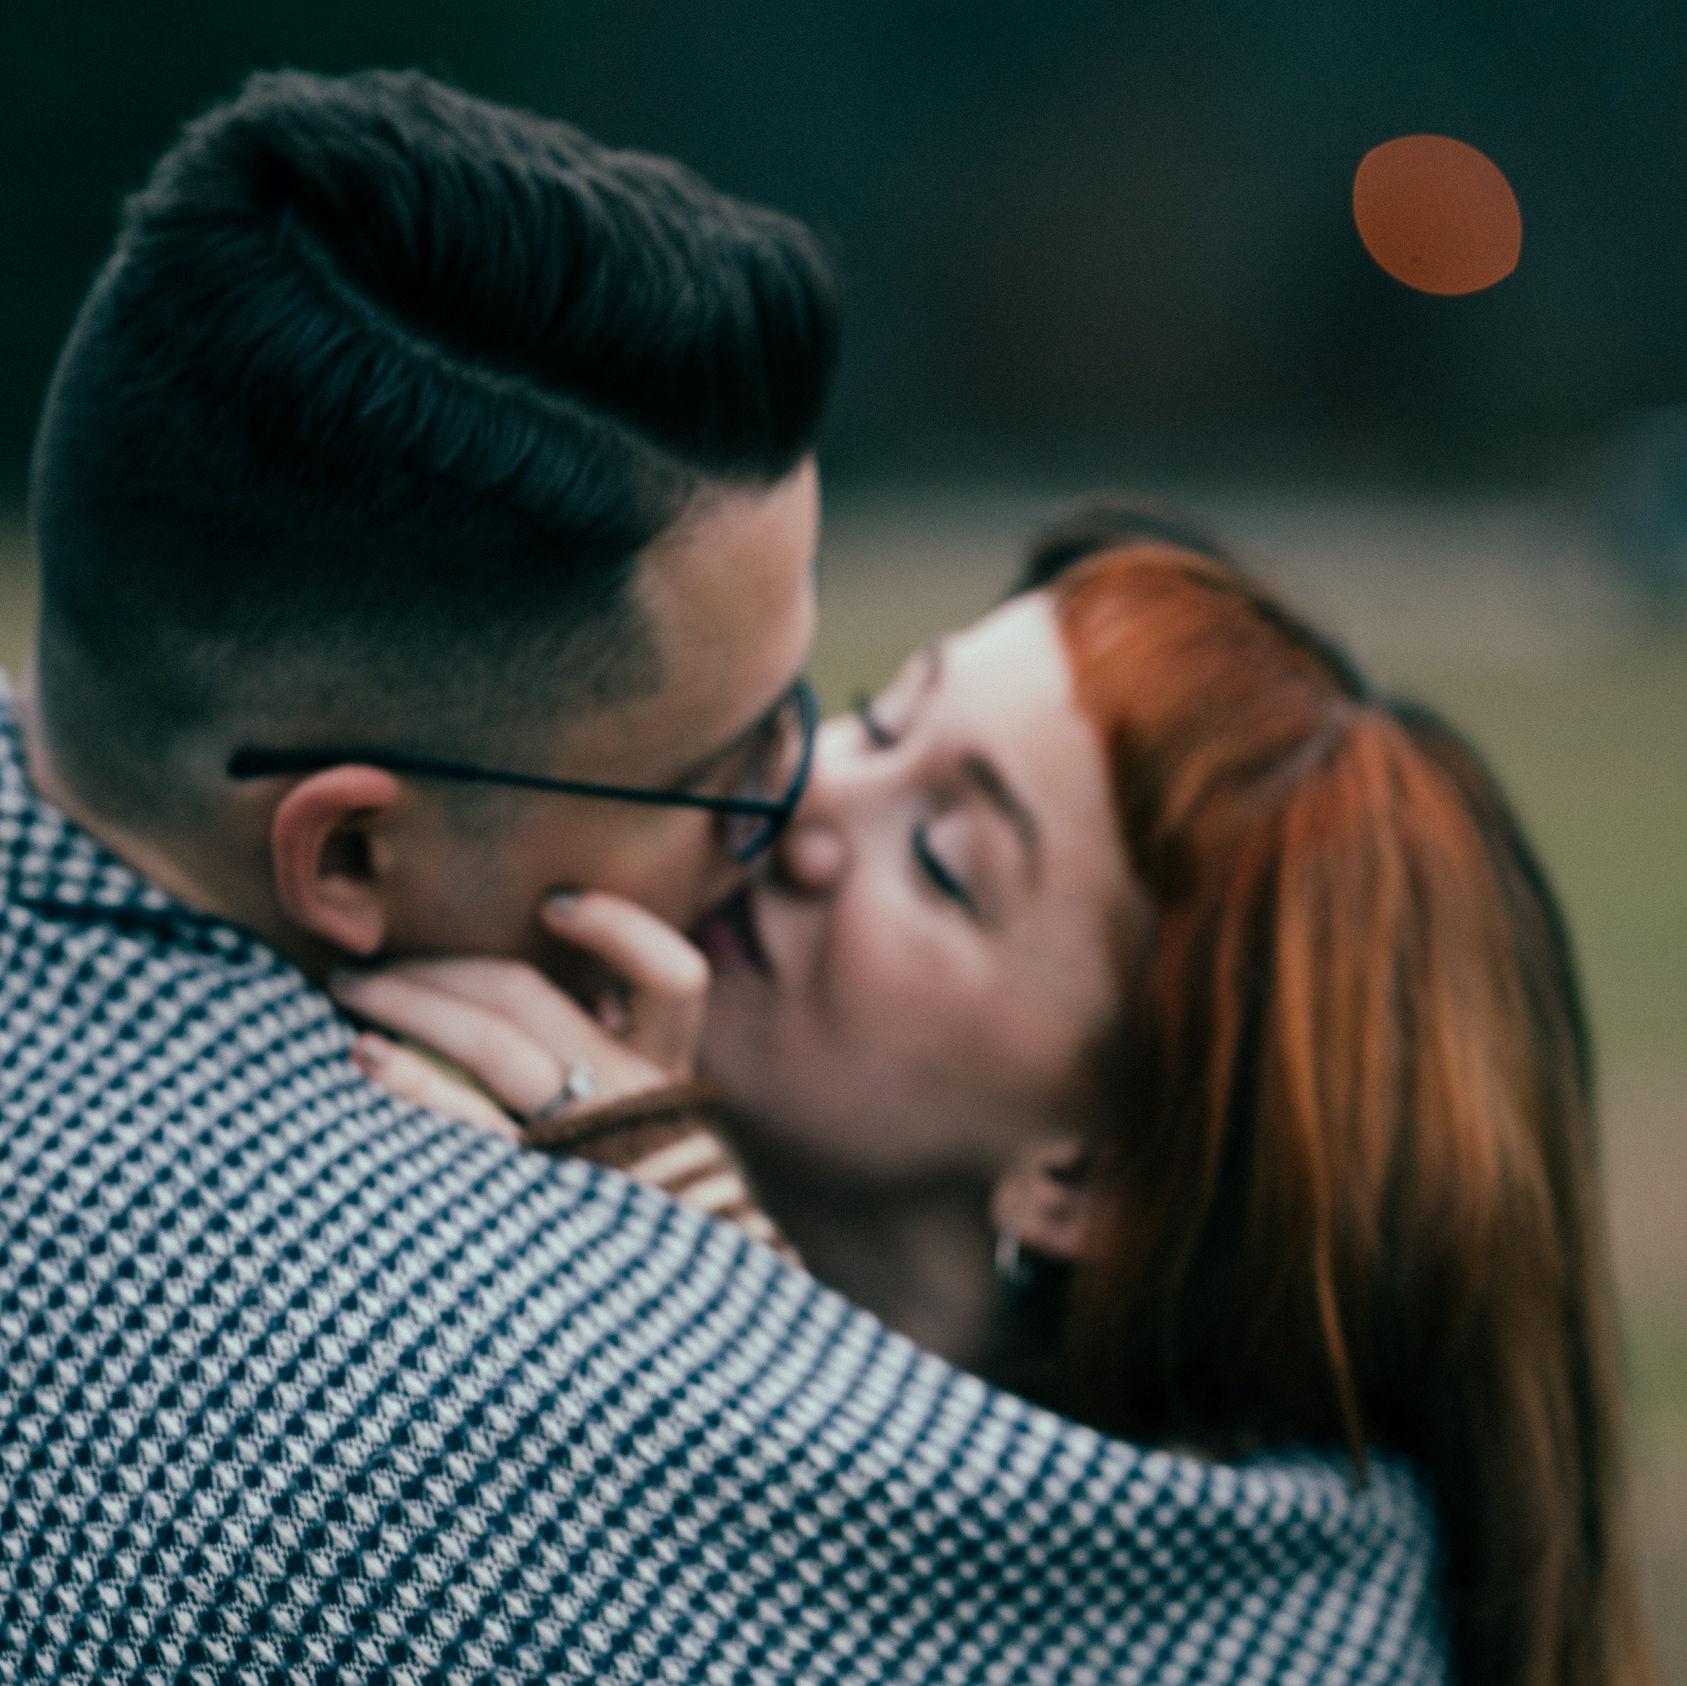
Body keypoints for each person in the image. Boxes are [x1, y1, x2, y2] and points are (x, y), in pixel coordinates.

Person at [0, 71, 1441, 1683]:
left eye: (828, 713)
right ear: (351, 853)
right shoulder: (459, 1386)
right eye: (721, 772)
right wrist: (693, 1324)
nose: (803, 802)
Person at [353, 507, 1657, 1686]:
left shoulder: (1290, 1637)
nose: (806, 797)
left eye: (940, 859)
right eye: (877, 715)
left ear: (1091, 1175)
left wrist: (692, 1321)